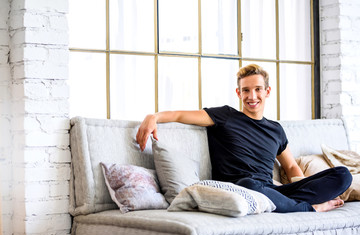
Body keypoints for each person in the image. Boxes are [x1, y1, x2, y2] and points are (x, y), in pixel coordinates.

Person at [136, 64, 352, 213]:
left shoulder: (275, 130)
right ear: (238, 93)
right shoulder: (225, 116)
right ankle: (308, 209)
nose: (252, 96)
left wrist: (303, 188)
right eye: (246, 90)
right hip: (241, 187)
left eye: (257, 89)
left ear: (267, 91)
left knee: (343, 175)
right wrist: (153, 117)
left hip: (272, 191)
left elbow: (291, 166)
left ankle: (292, 203)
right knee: (251, 184)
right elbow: (179, 115)